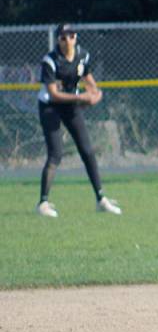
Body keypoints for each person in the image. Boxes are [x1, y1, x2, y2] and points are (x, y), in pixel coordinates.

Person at [36, 24, 121, 217]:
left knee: (87, 151)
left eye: (71, 36)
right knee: (56, 153)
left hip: (70, 104)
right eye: (63, 37)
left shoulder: (82, 56)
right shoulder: (51, 60)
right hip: (50, 107)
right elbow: (53, 94)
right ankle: (43, 203)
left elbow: (90, 83)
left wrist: (96, 94)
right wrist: (81, 98)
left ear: (76, 37)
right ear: (58, 40)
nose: (68, 40)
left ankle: (101, 199)